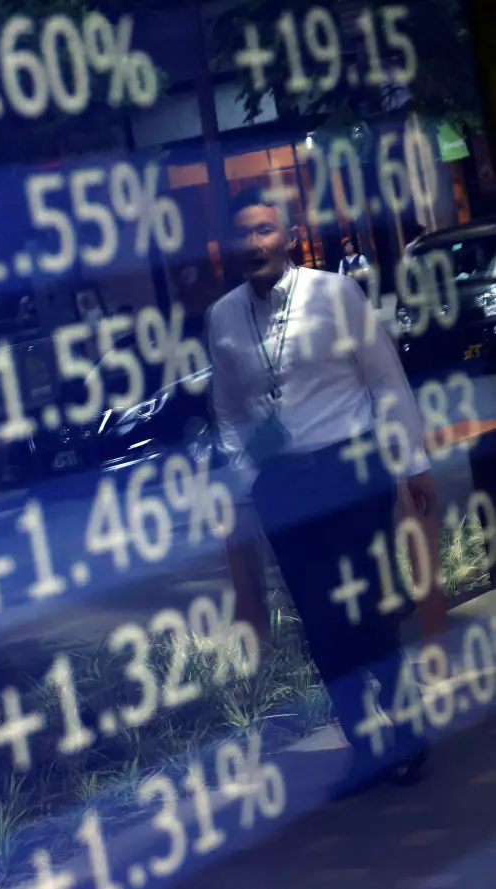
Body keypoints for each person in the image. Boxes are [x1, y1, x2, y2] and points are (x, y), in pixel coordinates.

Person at [207, 188, 433, 797]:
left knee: (368, 610)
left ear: (288, 235)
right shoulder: (223, 317)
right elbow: (229, 413)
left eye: (264, 231)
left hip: (352, 471)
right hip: (283, 485)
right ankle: (366, 747)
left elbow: (386, 380)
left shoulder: (336, 294)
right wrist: (246, 483)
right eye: (243, 235)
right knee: (320, 622)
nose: (254, 244)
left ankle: (407, 729)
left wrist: (413, 465)